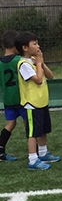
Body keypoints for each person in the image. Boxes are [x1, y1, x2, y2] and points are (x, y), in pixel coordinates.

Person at [15, 31, 60, 170]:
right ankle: (33, 160)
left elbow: (50, 76)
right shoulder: (23, 64)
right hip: (31, 104)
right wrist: (39, 64)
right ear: (25, 48)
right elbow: (39, 80)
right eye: (34, 43)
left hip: (42, 102)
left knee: (43, 130)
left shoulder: (35, 62)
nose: (38, 46)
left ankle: (43, 153)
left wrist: (41, 63)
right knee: (33, 133)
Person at [0, 30, 24, 161]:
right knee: (29, 124)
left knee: (10, 123)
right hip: (22, 98)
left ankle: (0, 149)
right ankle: (36, 152)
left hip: (8, 99)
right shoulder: (19, 60)